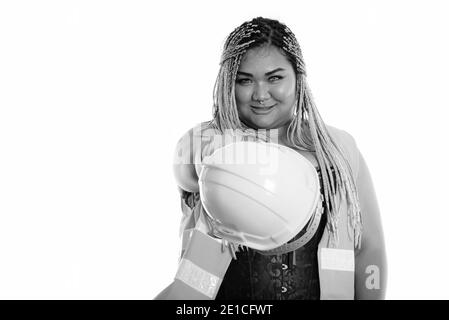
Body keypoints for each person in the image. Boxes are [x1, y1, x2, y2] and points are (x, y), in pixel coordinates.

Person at [155, 16, 387, 300]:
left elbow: (369, 250)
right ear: (229, 83)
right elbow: (186, 166)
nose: (260, 95)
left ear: (298, 78)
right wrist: (219, 155)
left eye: (274, 78)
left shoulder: (337, 148)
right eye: (244, 80)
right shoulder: (208, 140)